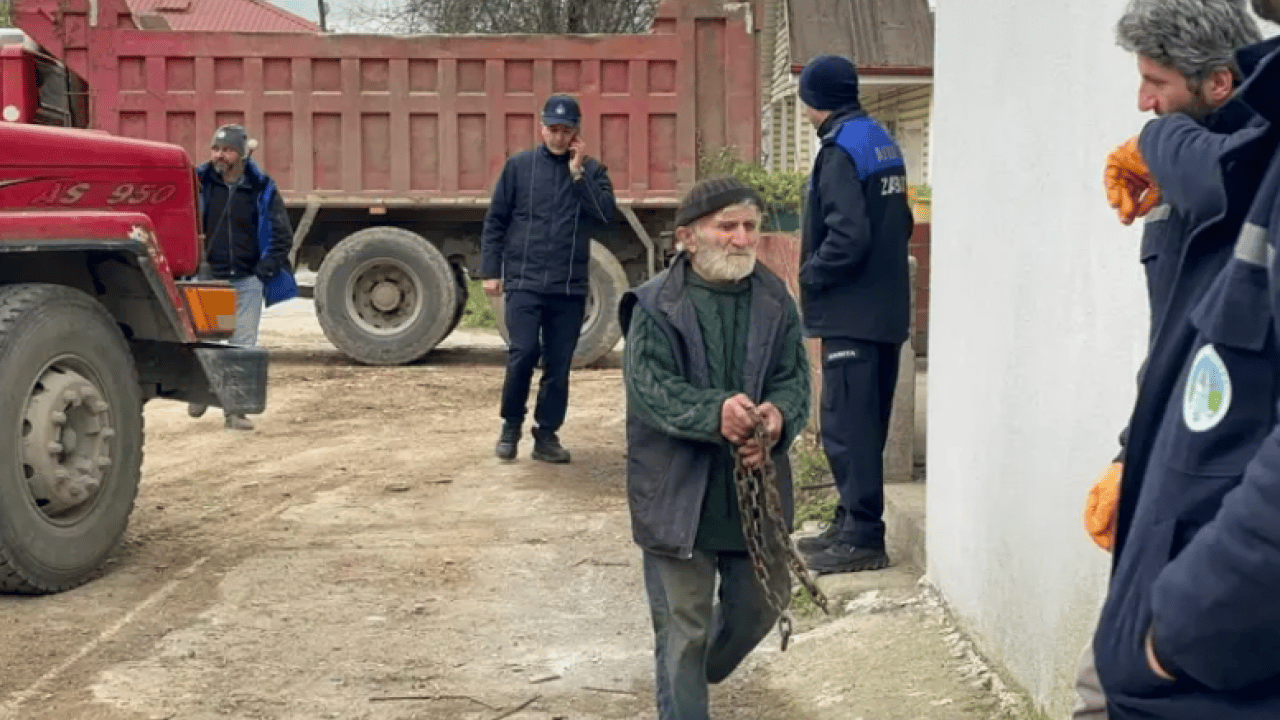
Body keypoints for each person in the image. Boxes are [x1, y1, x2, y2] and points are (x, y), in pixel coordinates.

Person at [1074, 2, 1265, 716]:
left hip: (1229, 510)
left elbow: (1221, 178)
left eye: (1157, 83)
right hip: (1172, 477)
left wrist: (1155, 141)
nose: (1143, 101)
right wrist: (1132, 454)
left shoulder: (1247, 164)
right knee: (1100, 685)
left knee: (1117, 683)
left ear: (1219, 83)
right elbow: (1173, 349)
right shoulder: (1177, 172)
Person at [619, 177, 810, 720]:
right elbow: (650, 389)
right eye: (727, 226)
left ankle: (684, 675)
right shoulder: (654, 305)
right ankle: (682, 692)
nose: (742, 239)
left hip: (751, 493)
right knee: (685, 630)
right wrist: (715, 413)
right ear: (687, 237)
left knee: (760, 607)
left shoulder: (775, 299)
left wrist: (777, 419)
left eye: (750, 226)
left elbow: (794, 378)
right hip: (676, 495)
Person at [792, 54, 914, 574]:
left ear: (815, 98)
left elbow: (847, 235)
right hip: (885, 311)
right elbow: (902, 222)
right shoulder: (880, 140)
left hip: (852, 314)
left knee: (847, 427)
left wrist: (812, 273)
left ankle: (862, 537)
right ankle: (849, 523)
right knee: (867, 425)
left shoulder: (840, 150)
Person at [480, 93, 616, 464]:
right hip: (524, 282)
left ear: (576, 133)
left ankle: (547, 435)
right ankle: (511, 426)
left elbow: (605, 215)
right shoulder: (518, 168)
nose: (558, 136)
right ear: (542, 128)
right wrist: (491, 270)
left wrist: (578, 174)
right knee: (522, 354)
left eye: (565, 130)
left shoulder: (593, 172)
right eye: (552, 129)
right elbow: (496, 221)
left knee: (558, 365)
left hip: (568, 287)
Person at [188, 124, 298, 430]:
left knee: (242, 347)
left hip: (247, 281)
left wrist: (263, 271)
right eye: (216, 149)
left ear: (242, 154)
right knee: (205, 344)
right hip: (210, 279)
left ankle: (234, 412)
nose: (219, 155)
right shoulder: (197, 183)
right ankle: (201, 390)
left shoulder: (261, 187)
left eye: (227, 150)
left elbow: (281, 235)